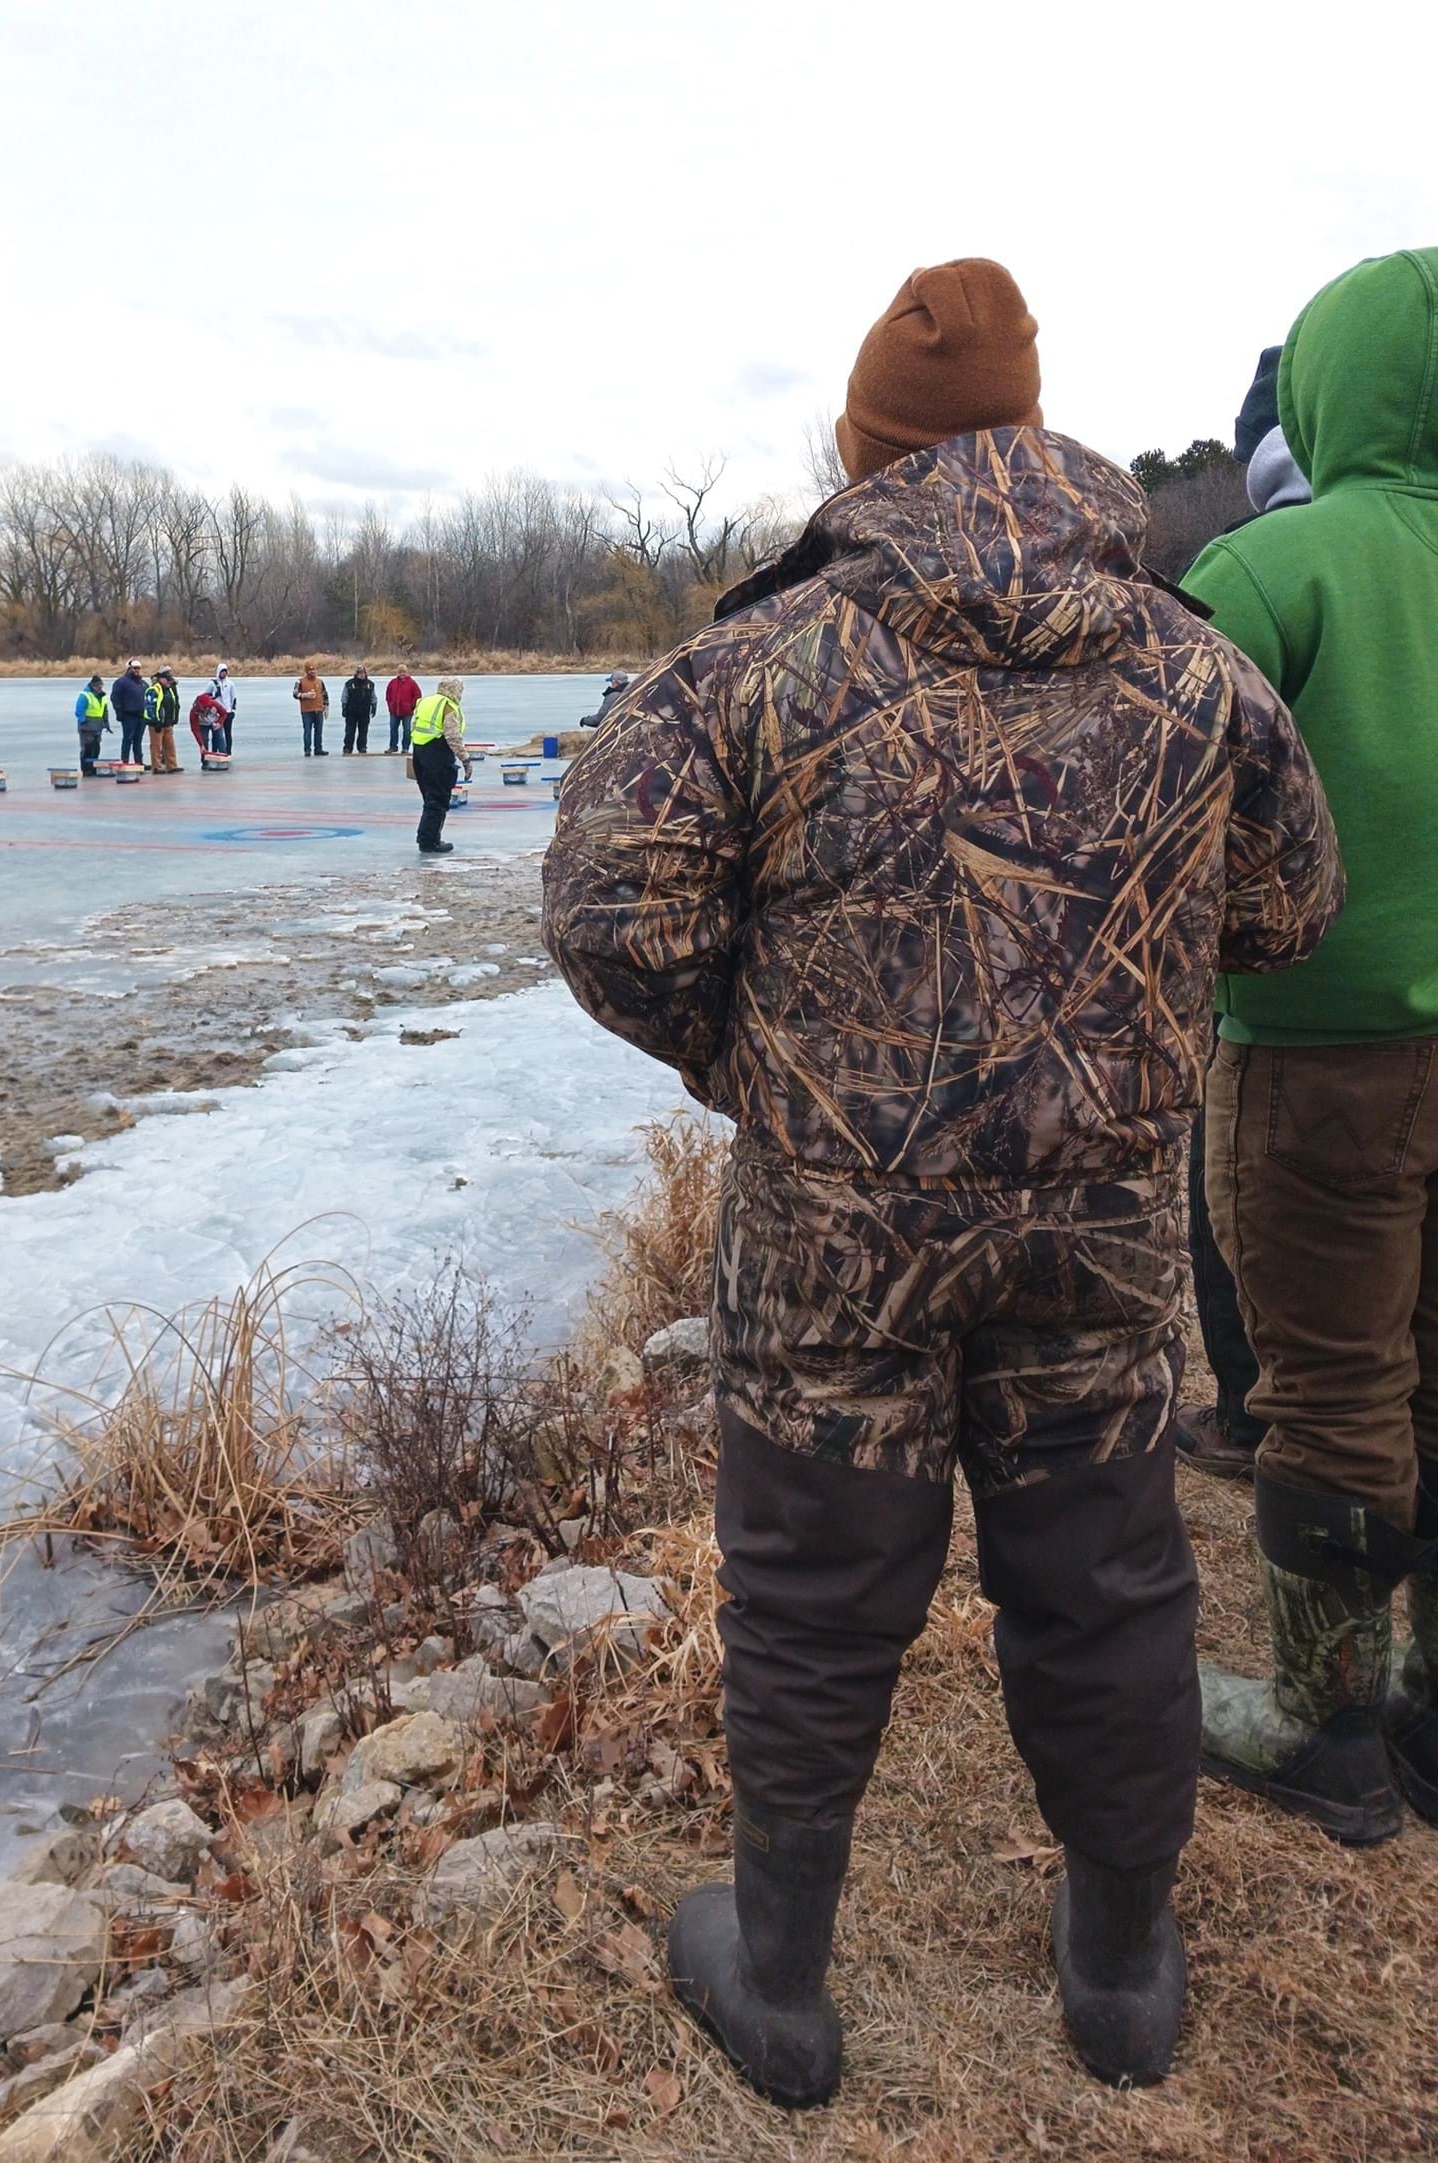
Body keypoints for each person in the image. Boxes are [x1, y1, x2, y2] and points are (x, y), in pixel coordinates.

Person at [543, 259, 1342, 2101]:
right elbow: (1293, 907)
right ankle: (1124, 1974)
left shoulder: (758, 663)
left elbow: (606, 913)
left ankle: (787, 1981)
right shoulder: (1188, 659)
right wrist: (1126, 1003)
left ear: (864, 446)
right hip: (1097, 1228)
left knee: (817, 1589)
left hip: (840, 1242)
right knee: (1113, 1575)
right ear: (1036, 433)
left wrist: (760, 1058)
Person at [1182, 248, 1438, 1847]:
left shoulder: (1284, 569)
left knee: (1334, 1381)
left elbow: (1151, 764)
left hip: (1318, 1062)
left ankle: (1329, 1719)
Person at [1175, 346, 1306, 1486]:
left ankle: (1251, 1415)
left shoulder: (1255, 574)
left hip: (1286, 1002)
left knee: (1229, 1209)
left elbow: (1177, 781)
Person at [409, 676, 472, 854]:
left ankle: (427, 836)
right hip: (437, 754)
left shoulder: (425, 702)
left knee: (429, 799)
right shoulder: (448, 707)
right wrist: (465, 759)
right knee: (437, 799)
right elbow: (452, 736)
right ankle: (429, 841)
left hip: (419, 752)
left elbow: (413, 725)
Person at [111, 661, 148, 767]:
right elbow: (115, 698)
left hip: (141, 716)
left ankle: (139, 761)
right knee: (128, 739)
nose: (137, 670)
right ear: (129, 668)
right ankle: (125, 760)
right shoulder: (121, 682)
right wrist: (119, 712)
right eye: (135, 668)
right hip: (128, 715)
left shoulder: (143, 683)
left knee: (138, 740)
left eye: (138, 668)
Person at [148, 666, 183, 773]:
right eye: (168, 680)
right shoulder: (154, 689)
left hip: (167, 723)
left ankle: (172, 765)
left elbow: (174, 704)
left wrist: (173, 718)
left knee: (170, 746)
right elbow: (150, 707)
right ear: (162, 679)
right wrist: (155, 721)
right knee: (156, 746)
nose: (169, 682)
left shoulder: (169, 690)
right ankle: (156, 767)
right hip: (157, 724)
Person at [75, 674, 109, 775]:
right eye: (98, 687)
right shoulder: (85, 695)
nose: (100, 688)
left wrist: (106, 723)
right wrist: (84, 722)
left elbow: (104, 711)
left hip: (97, 726)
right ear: (93, 686)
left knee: (96, 748)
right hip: (87, 727)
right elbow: (79, 710)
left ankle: (94, 768)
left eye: (101, 687)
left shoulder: (103, 696)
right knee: (87, 748)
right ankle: (86, 769)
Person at [340, 666, 378, 755]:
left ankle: (362, 747)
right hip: (351, 712)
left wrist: (374, 706)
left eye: (363, 673)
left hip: (364, 712)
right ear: (356, 674)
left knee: (363, 731)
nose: (362, 675)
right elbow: (344, 696)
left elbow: (373, 697)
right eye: (360, 673)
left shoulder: (370, 684)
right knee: (350, 731)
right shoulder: (349, 684)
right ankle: (347, 748)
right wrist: (344, 707)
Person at [294, 661, 329, 756]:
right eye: (310, 670)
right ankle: (307, 750)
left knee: (319, 731)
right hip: (306, 711)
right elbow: (295, 694)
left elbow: (325, 694)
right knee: (307, 731)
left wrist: (326, 707)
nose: (313, 672)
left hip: (318, 710)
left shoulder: (320, 681)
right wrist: (305, 695)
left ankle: (318, 749)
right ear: (306, 671)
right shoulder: (300, 681)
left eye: (314, 669)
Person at [385, 666, 422, 754]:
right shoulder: (393, 682)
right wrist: (390, 706)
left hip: (407, 712)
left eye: (404, 672)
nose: (402, 674)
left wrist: (412, 706)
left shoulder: (412, 683)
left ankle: (405, 748)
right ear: (397, 673)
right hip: (394, 711)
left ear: (406, 672)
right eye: (400, 672)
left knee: (407, 730)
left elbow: (418, 695)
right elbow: (388, 695)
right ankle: (393, 747)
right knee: (393, 729)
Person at [188, 688, 227, 766]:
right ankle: (205, 762)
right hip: (202, 725)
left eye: (207, 707)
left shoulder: (215, 704)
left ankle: (223, 760)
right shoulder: (194, 712)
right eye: (204, 707)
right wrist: (201, 744)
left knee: (220, 739)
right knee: (204, 741)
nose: (206, 709)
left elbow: (224, 713)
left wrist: (219, 722)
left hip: (215, 722)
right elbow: (195, 729)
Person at [208, 663, 238, 750]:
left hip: (227, 712)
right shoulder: (212, 683)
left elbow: (233, 697)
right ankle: (214, 750)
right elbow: (206, 696)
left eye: (225, 672)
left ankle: (228, 751)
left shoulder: (230, 684)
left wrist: (233, 710)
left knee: (228, 733)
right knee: (216, 733)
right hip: (216, 713)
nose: (224, 674)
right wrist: (214, 695)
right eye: (222, 672)